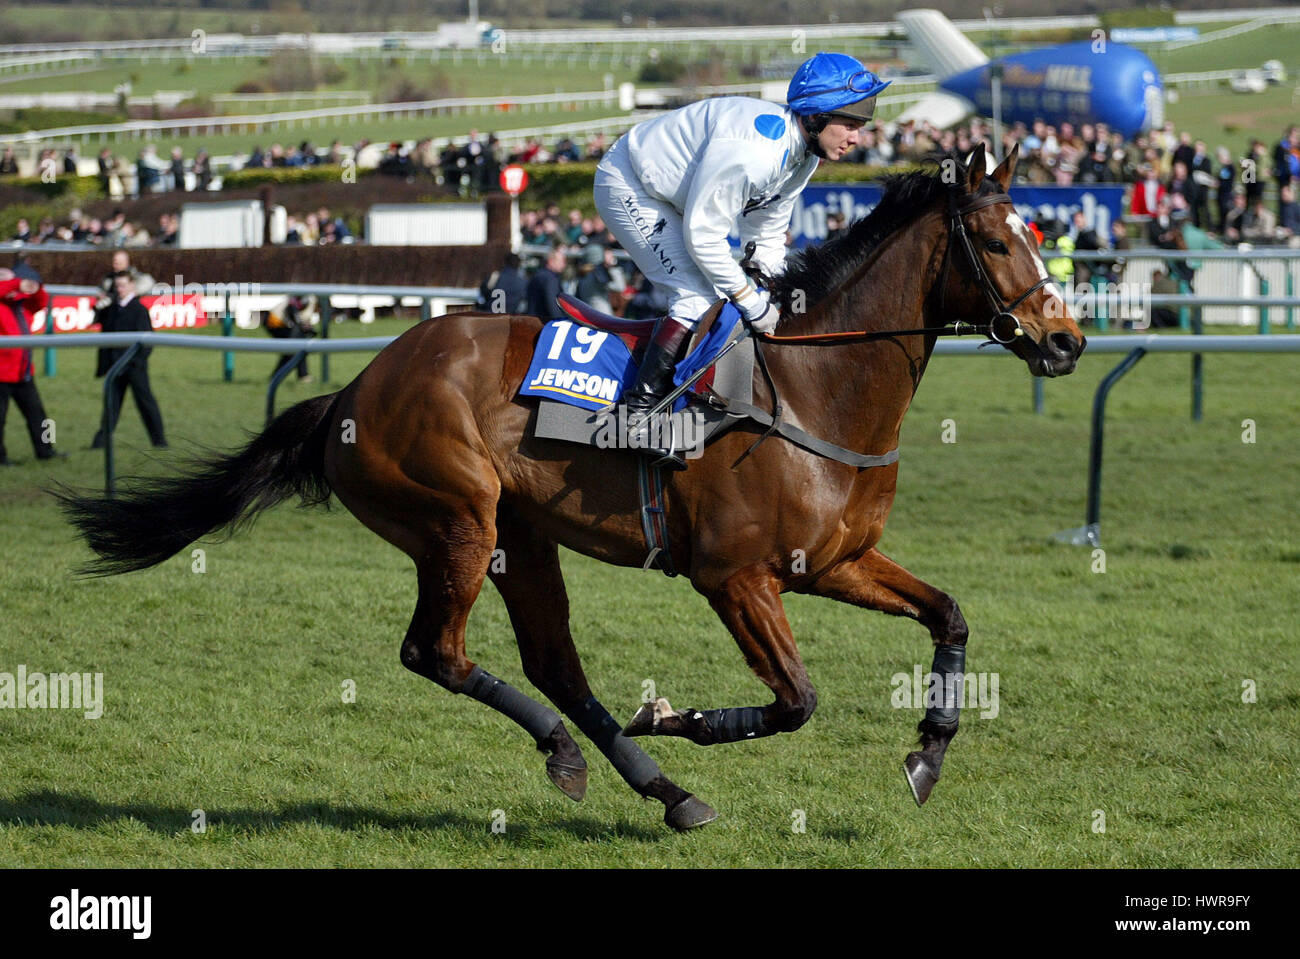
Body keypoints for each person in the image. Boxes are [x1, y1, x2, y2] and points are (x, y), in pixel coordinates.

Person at [592, 51, 889, 466]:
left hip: (673, 195)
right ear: (817, 115)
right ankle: (635, 418)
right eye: (850, 124)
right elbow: (703, 237)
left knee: (728, 295)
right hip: (630, 185)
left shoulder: (803, 155)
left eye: (861, 127)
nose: (857, 137)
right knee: (696, 298)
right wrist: (751, 300)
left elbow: (766, 233)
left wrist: (774, 291)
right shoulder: (757, 154)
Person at [90, 272, 166, 450]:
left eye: (123, 285)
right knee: (111, 405)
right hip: (115, 366)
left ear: (132, 286)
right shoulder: (112, 308)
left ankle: (160, 441)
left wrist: (137, 362)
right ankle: (100, 443)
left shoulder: (139, 310)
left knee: (145, 403)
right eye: (117, 286)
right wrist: (98, 307)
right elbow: (97, 323)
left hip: (133, 367)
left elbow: (148, 341)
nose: (119, 289)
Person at [0, 264, 63, 464]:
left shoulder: (21, 304)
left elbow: (41, 300)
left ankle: (47, 451)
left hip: (23, 373)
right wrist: (17, 282)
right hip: (2, 375)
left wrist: (33, 286)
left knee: (41, 417)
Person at [264, 294, 316, 382]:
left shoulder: (308, 298)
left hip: (279, 322)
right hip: (276, 323)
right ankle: (301, 375)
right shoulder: (301, 300)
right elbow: (294, 315)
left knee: (296, 349)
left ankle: (301, 375)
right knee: (294, 350)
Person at [525, 246, 567, 321]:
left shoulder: (537, 275)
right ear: (551, 261)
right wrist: (561, 321)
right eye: (562, 261)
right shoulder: (550, 279)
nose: (564, 264)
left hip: (532, 320)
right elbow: (552, 305)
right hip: (544, 324)